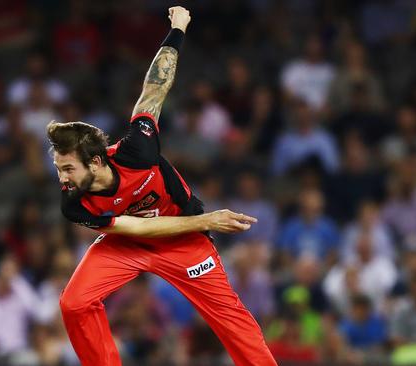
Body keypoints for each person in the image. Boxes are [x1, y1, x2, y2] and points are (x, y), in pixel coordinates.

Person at [50, 7, 276, 366]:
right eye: (59, 169)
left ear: (95, 162)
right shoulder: (74, 202)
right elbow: (139, 227)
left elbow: (155, 87)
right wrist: (208, 220)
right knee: (74, 303)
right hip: (128, 240)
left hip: (183, 241)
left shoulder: (137, 150)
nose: (62, 179)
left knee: (231, 321)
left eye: (67, 169)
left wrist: (178, 29)